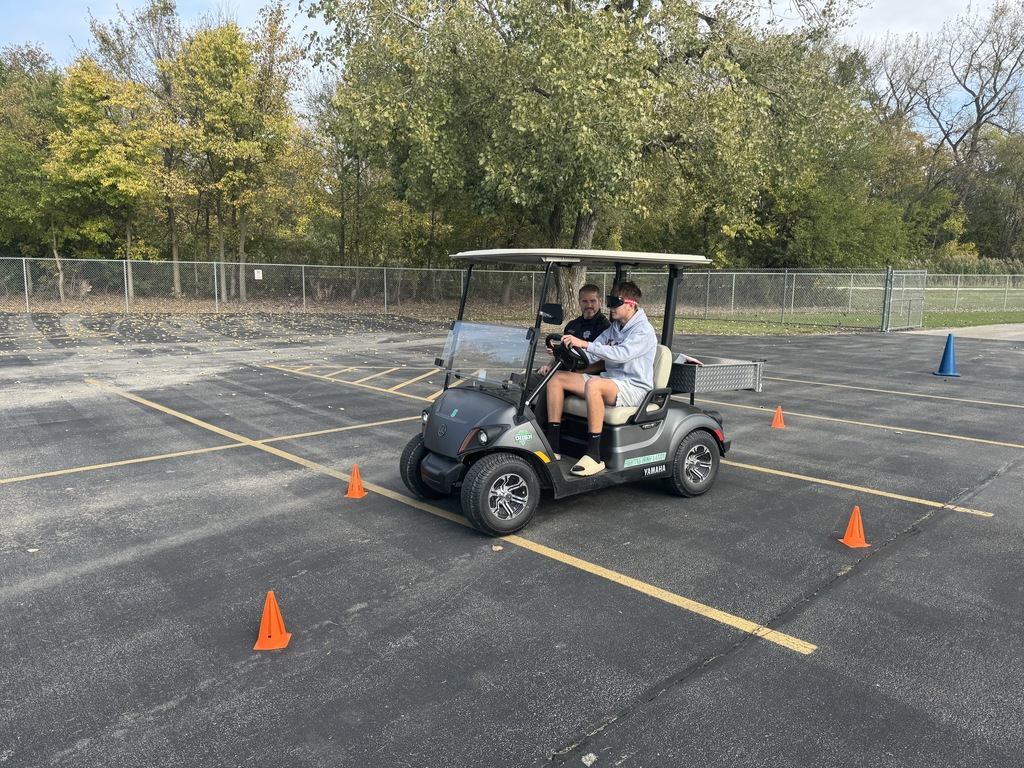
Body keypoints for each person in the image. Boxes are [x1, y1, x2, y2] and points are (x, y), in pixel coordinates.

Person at [544, 280, 657, 477]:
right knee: (557, 378)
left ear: (631, 304)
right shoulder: (615, 328)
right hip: (611, 381)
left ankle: (594, 455)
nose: (610, 307)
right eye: (610, 302)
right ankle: (553, 446)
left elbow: (621, 354)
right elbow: (594, 354)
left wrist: (586, 345)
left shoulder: (643, 330)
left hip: (634, 387)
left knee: (594, 385)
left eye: (615, 303)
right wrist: (563, 350)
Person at [529, 284, 610, 424]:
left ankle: (539, 431)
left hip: (585, 376)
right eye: (585, 301)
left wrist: (576, 372)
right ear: (579, 302)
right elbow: (564, 353)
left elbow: (604, 363)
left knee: (548, 386)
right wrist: (550, 364)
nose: (589, 305)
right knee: (523, 381)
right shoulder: (572, 325)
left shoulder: (605, 328)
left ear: (600, 302)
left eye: (593, 301)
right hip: (562, 370)